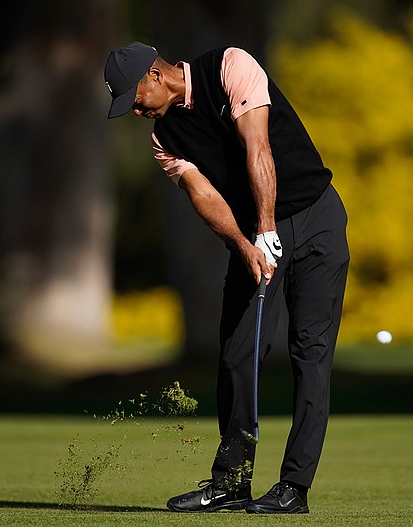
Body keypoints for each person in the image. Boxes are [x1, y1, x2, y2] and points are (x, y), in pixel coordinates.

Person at [104, 42, 349, 514]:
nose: (135, 111)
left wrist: (268, 227)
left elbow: (258, 147)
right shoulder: (164, 138)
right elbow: (204, 195)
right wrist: (245, 244)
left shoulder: (231, 66)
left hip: (315, 218)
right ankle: (231, 482)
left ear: (155, 75)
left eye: (134, 99)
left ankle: (294, 488)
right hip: (252, 234)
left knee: (311, 353)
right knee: (239, 352)